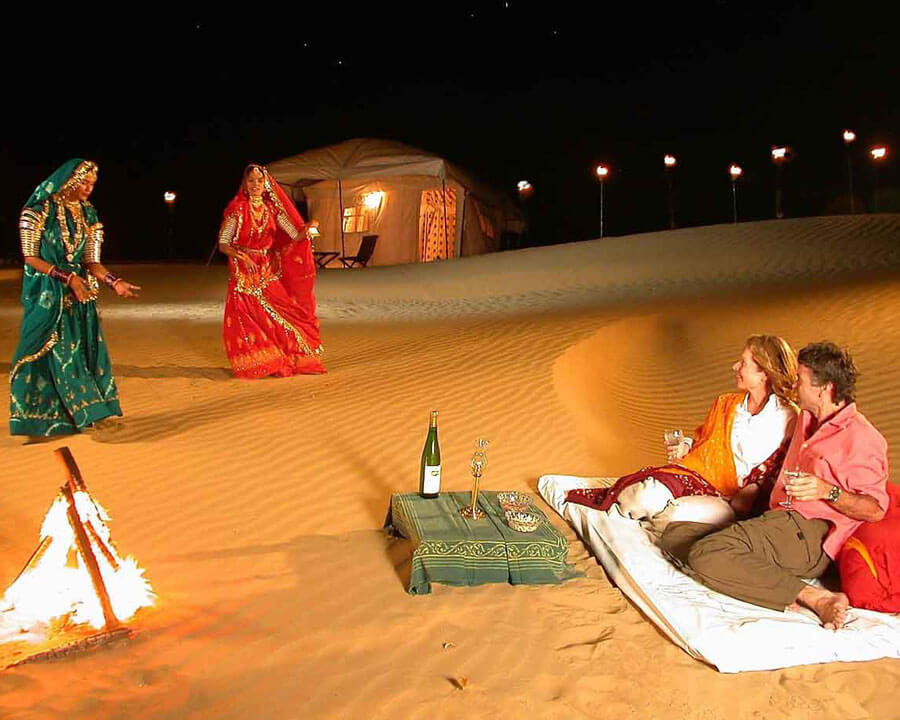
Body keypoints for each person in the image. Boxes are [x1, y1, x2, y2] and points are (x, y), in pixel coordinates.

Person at [659, 342, 889, 629]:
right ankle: (767, 580)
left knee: (708, 553)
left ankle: (815, 598)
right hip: (777, 519)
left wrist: (826, 491)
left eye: (800, 381)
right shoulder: (806, 418)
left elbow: (875, 509)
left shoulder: (861, 437)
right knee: (675, 535)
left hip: (810, 532)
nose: (794, 387)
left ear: (824, 388)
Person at [566, 335, 799, 517]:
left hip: (739, 501)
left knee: (674, 515)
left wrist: (754, 489)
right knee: (641, 498)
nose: (734, 366)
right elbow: (705, 443)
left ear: (764, 374)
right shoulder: (727, 404)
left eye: (744, 363)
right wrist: (687, 446)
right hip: (700, 478)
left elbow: (784, 467)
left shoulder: (789, 416)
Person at [9, 159, 141, 438]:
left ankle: (89, 413)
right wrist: (66, 278)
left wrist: (114, 282)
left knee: (82, 352)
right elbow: (30, 258)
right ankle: (87, 415)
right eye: (84, 182)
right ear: (69, 180)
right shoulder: (36, 212)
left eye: (93, 184)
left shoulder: (88, 214)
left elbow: (92, 262)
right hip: (49, 295)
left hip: (81, 294)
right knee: (61, 352)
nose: (89, 189)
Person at [218, 164, 325, 378]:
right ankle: (260, 362)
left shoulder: (273, 210)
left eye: (259, 180)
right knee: (249, 318)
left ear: (266, 184)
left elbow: (294, 235)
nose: (256, 185)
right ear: (245, 185)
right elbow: (223, 243)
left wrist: (310, 227)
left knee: (282, 312)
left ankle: (288, 356)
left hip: (267, 269)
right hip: (244, 273)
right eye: (251, 181)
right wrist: (243, 256)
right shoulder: (237, 210)